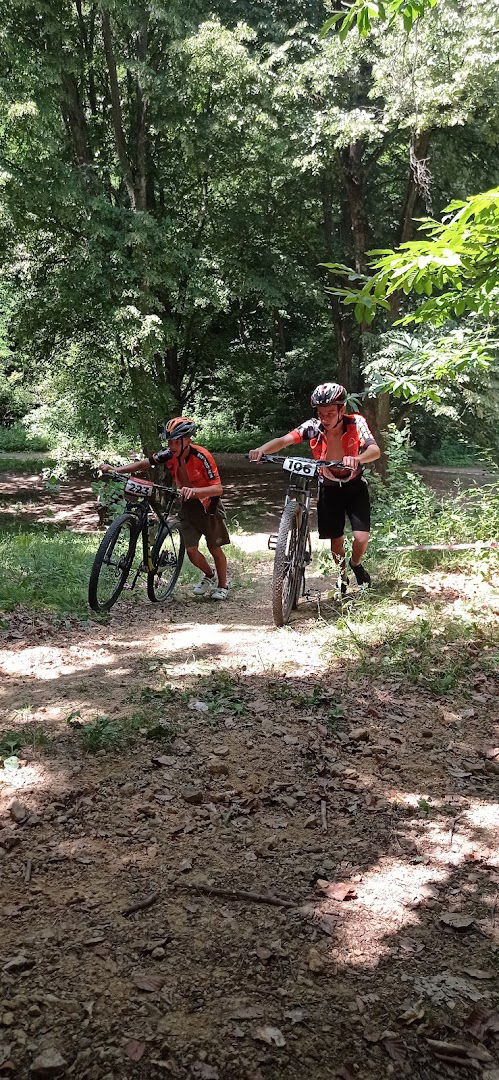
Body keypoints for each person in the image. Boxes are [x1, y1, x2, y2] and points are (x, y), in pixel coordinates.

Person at [249, 383, 380, 589]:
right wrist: (261, 450)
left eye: (330, 413)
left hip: (354, 486)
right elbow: (284, 440)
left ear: (342, 410)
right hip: (328, 487)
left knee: (361, 537)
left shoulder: (356, 422)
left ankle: (355, 564)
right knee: (336, 539)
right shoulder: (313, 426)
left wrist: (358, 459)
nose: (325, 418)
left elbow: (374, 450)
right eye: (321, 413)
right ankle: (341, 575)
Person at [100, 417, 230, 600]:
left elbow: (218, 489)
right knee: (191, 551)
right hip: (188, 506)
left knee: (214, 548)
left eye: (176, 441)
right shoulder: (169, 454)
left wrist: (196, 491)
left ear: (187, 440)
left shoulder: (202, 456)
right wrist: (117, 470)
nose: (172, 445)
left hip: (209, 505)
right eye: (169, 441)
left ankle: (223, 586)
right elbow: (145, 463)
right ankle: (209, 575)